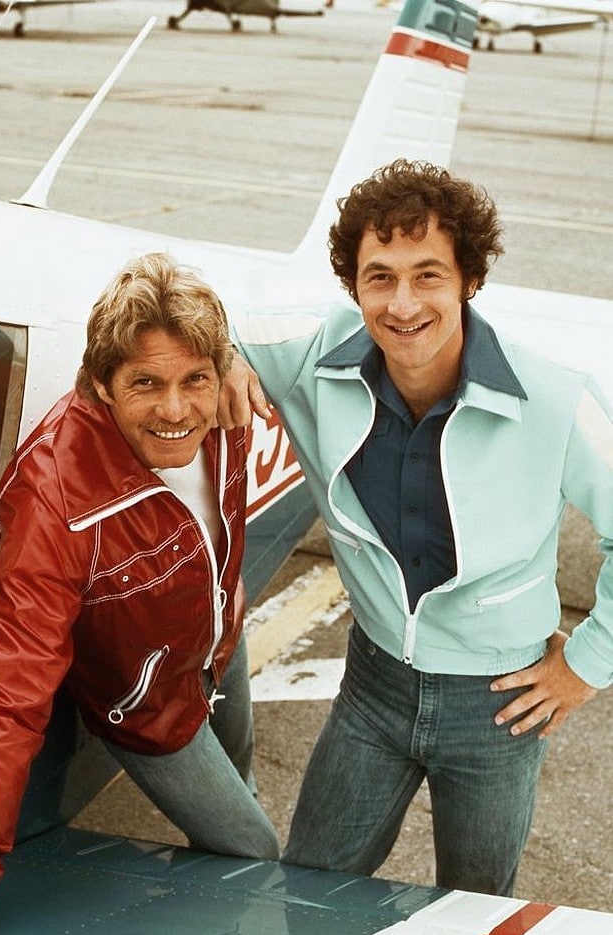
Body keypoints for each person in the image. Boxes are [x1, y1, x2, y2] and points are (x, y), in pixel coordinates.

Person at [222, 158, 613, 897]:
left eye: (427, 275)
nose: (402, 303)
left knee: (472, 913)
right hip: (372, 689)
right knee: (309, 890)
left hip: (498, 705)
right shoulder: (315, 352)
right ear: (354, 286)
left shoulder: (557, 398)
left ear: (469, 279)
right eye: (380, 278)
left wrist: (589, 664)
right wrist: (223, 354)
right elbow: (203, 318)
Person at [0, 252, 279, 935]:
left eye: (194, 379)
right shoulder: (54, 498)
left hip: (219, 632)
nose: (175, 410)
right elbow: (6, 701)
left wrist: (231, 359)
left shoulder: (224, 398)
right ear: (101, 384)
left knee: (241, 778)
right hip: (149, 703)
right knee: (256, 850)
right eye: (145, 383)